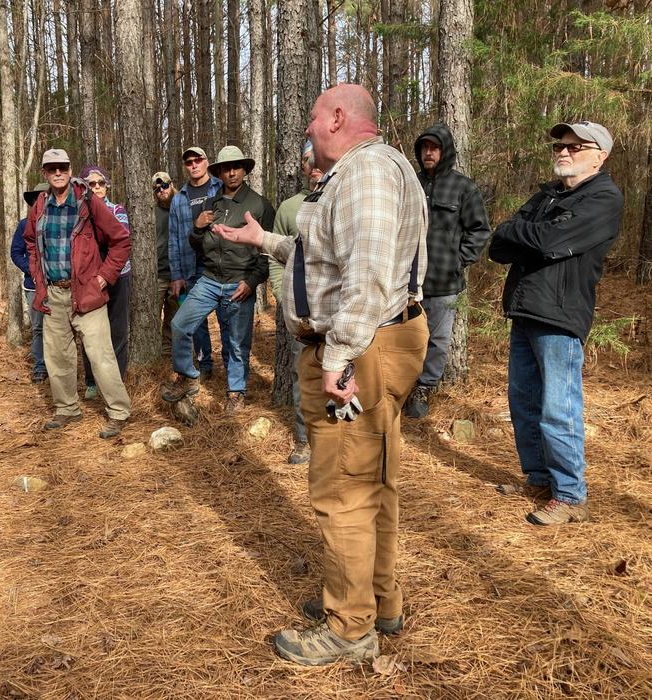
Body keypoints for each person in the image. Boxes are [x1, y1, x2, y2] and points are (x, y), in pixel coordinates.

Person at [214, 85, 428, 666]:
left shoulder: (366, 174)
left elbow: (368, 276)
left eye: (313, 117)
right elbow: (327, 256)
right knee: (372, 478)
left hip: (361, 351)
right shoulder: (362, 174)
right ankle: (377, 601)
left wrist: (338, 356)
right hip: (372, 344)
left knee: (344, 490)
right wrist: (263, 240)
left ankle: (350, 627)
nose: (308, 128)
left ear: (337, 118)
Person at [489, 121, 622, 526]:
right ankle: (539, 478)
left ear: (600, 155)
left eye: (575, 147)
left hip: (561, 315)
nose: (563, 153)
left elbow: (545, 242)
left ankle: (570, 495)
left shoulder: (603, 198)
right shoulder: (546, 197)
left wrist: (524, 233)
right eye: (560, 147)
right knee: (523, 402)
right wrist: (530, 233)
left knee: (557, 407)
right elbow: (498, 245)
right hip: (526, 308)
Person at [24, 148, 132, 439]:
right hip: (53, 294)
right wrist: (39, 278)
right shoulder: (41, 205)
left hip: (86, 293)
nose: (57, 172)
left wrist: (103, 277)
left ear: (70, 169)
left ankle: (119, 411)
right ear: (45, 173)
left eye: (62, 167)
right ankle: (67, 408)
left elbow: (121, 241)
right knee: (57, 356)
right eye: (51, 168)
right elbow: (31, 243)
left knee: (100, 355)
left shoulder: (87, 201)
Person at [162, 146, 274, 415]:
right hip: (210, 279)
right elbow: (198, 245)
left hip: (240, 281)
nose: (231, 172)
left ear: (245, 170)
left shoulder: (259, 205)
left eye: (236, 167)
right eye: (226, 168)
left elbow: (268, 252)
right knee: (180, 324)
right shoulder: (213, 204)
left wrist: (251, 281)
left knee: (237, 342)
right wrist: (197, 228)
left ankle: (236, 392)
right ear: (220, 173)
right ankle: (188, 377)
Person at [403, 123, 491, 418]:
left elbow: (480, 230)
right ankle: (401, 386)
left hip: (444, 282)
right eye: (424, 147)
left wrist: (458, 260)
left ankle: (424, 388)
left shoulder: (463, 187)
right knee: (404, 337)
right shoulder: (409, 184)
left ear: (445, 151)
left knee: (437, 341)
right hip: (407, 282)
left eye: (435, 147)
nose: (429, 152)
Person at [270, 140, 323, 464]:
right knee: (303, 375)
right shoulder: (289, 208)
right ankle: (304, 440)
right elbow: (275, 257)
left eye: (319, 157)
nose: (314, 164)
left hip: (338, 313)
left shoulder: (343, 200)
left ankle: (339, 439)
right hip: (300, 313)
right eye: (307, 159)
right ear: (302, 167)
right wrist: (282, 293)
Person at [168, 146, 229, 378]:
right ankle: (204, 366)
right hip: (190, 268)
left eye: (198, 160)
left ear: (206, 162)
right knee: (196, 323)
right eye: (189, 162)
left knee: (226, 319)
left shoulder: (219, 188)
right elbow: (174, 238)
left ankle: (229, 365)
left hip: (220, 266)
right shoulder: (179, 198)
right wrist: (176, 275)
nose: (193, 165)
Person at [79, 165, 131, 401]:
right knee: (89, 332)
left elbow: (120, 240)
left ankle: (116, 380)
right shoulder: (79, 212)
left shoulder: (117, 210)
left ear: (107, 186)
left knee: (117, 330)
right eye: (91, 184)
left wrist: (105, 274)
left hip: (118, 277)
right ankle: (91, 381)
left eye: (101, 183)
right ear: (84, 187)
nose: (97, 187)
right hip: (88, 282)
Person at [10, 183, 50, 383]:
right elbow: (15, 253)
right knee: (38, 327)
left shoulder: (58, 223)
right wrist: (31, 269)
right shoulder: (24, 225)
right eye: (37, 198)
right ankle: (40, 366)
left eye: (44, 197)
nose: (40, 201)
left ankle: (59, 366)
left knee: (62, 328)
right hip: (33, 285)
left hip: (59, 284)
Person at [153, 171, 178, 346]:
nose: (161, 190)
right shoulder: (150, 213)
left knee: (176, 314)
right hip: (158, 274)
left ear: (171, 185)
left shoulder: (181, 207)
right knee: (153, 314)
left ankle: (169, 349)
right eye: (156, 189)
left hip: (179, 275)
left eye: (164, 186)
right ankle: (155, 349)